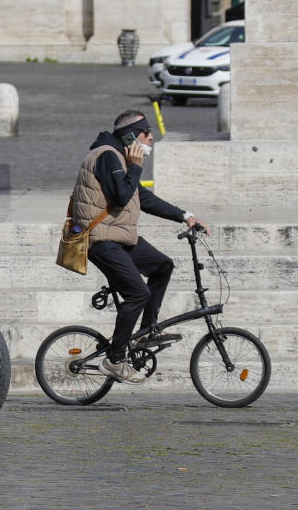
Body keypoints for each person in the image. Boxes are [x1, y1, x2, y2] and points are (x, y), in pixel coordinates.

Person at [73, 110, 210, 384]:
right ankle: (115, 359)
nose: (152, 138)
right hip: (99, 239)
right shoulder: (108, 156)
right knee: (137, 293)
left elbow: (142, 198)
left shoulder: (119, 158)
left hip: (117, 236)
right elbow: (123, 197)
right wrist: (136, 167)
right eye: (147, 133)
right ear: (132, 136)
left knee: (162, 266)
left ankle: (147, 331)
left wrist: (185, 216)